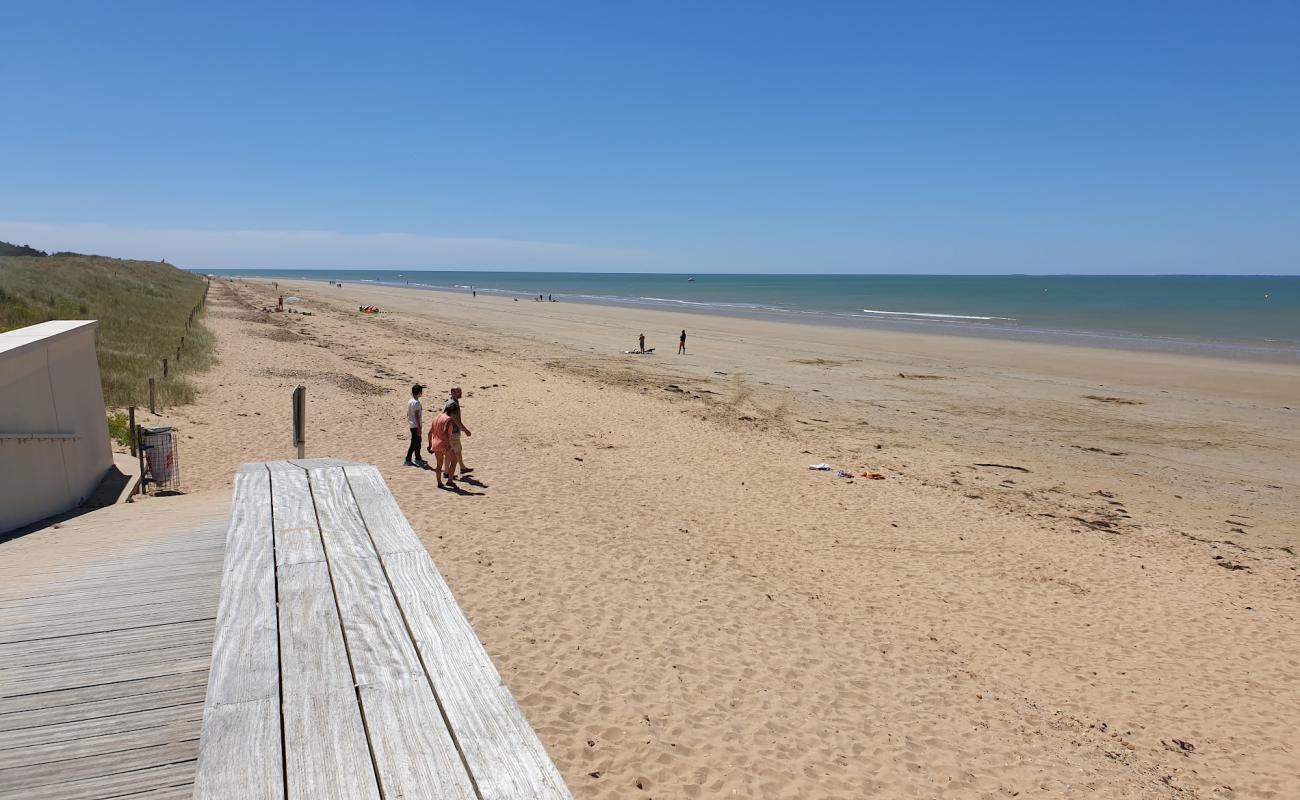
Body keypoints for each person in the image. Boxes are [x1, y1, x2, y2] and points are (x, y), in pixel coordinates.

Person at [444, 387, 473, 476]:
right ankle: (447, 472)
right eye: (458, 392)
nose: (460, 393)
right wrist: (465, 430)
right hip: (453, 431)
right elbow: (456, 420)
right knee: (452, 452)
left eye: (460, 391)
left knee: (457, 451)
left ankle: (462, 468)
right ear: (452, 392)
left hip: (451, 431)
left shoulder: (450, 402)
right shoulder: (453, 404)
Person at [426, 408, 455, 488]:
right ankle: (450, 481)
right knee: (454, 461)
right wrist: (448, 444)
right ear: (451, 413)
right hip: (444, 444)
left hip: (435, 444)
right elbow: (445, 432)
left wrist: (429, 445)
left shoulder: (436, 418)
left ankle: (439, 483)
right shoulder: (448, 419)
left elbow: (429, 433)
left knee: (439, 464)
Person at [404, 384, 426, 467]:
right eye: (421, 392)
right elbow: (416, 415)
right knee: (414, 443)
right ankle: (408, 459)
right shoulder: (416, 403)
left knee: (418, 443)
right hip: (416, 426)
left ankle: (418, 458)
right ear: (419, 392)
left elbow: (408, 413)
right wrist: (419, 428)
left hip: (413, 425)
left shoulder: (410, 401)